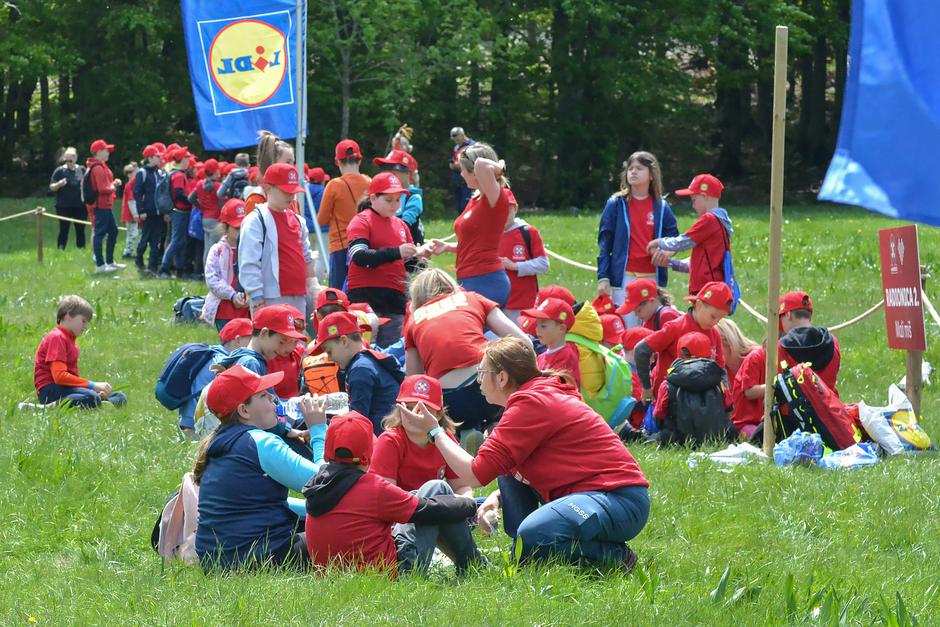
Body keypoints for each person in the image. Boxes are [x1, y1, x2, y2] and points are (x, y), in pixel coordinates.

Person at [400, 337, 650, 568]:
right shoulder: (535, 396)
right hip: (599, 497)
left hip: (618, 501)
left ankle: (616, 557)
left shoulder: (531, 403)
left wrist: (435, 431)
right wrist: (496, 499)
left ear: (502, 378)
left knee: (533, 536)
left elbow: (475, 475)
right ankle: (524, 552)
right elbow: (502, 467)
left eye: (481, 373)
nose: (478, 381)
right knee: (505, 469)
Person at [303, 411, 480, 576]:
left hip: (334, 579)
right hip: (393, 576)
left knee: (420, 498)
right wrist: (470, 505)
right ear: (368, 455)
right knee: (437, 489)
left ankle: (473, 565)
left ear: (326, 454)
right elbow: (426, 509)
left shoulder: (316, 485)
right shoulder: (371, 488)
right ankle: (475, 565)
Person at [193, 365, 328, 571]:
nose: (273, 398)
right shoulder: (261, 442)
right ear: (244, 410)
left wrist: (310, 510)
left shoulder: (220, 442)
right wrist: (318, 430)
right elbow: (326, 484)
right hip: (259, 557)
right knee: (343, 530)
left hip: (217, 561)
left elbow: (265, 504)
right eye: (264, 395)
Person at [404, 268, 531, 448]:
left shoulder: (414, 320)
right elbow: (524, 342)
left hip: (451, 401)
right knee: (500, 398)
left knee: (453, 417)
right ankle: (496, 427)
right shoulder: (472, 298)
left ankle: (465, 436)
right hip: (490, 384)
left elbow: (415, 380)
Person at [597, 151, 678, 326]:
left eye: (639, 168)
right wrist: (603, 277)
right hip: (624, 277)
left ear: (651, 174)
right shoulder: (616, 203)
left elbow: (674, 237)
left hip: (652, 277)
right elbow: (604, 244)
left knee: (650, 327)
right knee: (625, 326)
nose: (633, 172)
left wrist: (667, 252)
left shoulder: (661, 206)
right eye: (630, 168)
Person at [427, 143, 514, 307]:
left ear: (475, 173)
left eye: (463, 169)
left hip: (486, 279)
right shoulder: (476, 199)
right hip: (470, 278)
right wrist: (447, 247)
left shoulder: (495, 197)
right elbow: (475, 243)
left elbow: (481, 163)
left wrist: (499, 168)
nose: (461, 174)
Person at [346, 172, 420, 346]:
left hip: (395, 300)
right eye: (389, 200)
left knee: (392, 351)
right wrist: (397, 252)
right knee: (363, 349)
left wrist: (420, 256)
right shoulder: (362, 220)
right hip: (366, 296)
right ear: (373, 198)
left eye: (398, 200)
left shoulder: (401, 225)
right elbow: (359, 256)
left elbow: (407, 264)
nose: (395, 205)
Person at [238, 163, 320, 317]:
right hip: (270, 297)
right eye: (285, 191)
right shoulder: (255, 220)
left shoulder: (298, 220)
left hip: (298, 295)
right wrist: (256, 297)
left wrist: (314, 287)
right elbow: (249, 262)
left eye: (293, 192)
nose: (291, 196)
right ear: (268, 188)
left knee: (297, 333)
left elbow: (306, 257)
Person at [634, 281, 732, 404]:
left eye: (720, 319)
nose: (715, 322)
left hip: (699, 404)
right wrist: (646, 387)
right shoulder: (675, 328)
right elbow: (641, 350)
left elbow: (720, 370)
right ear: (698, 304)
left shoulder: (714, 333)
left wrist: (725, 400)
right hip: (668, 402)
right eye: (713, 316)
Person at [311, 311, 404, 435]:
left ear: (344, 341)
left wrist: (320, 429)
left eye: (329, 351)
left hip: (383, 438)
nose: (329, 358)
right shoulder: (365, 362)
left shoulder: (360, 370)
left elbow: (355, 422)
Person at [33, 295, 127, 409]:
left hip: (66, 388)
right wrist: (92, 385)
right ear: (68, 316)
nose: (85, 326)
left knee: (120, 396)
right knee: (91, 396)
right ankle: (46, 407)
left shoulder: (70, 340)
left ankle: (99, 404)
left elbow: (71, 379)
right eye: (83, 321)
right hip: (51, 390)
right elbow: (59, 376)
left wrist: (89, 389)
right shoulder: (57, 337)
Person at [647, 174, 733, 295]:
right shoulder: (720, 222)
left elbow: (684, 241)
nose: (692, 206)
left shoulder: (709, 219)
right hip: (712, 288)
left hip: (707, 290)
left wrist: (659, 242)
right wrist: (671, 263)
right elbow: (698, 263)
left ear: (704, 196)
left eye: (693, 200)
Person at [652, 332, 734, 445]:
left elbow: (659, 417)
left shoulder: (668, 383)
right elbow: (729, 410)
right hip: (715, 439)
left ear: (681, 356)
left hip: (678, 441)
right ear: (709, 356)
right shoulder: (718, 382)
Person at [178, 318, 253, 437]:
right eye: (251, 338)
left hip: (188, 421)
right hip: (199, 426)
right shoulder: (223, 363)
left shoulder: (212, 355)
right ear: (238, 340)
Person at [318, 139, 371, 289]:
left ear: (338, 162)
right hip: (365, 246)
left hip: (340, 247)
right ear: (359, 160)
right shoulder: (370, 182)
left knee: (337, 295)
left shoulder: (334, 185)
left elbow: (321, 220)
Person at [201, 198, 250, 331]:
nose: (241, 232)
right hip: (224, 308)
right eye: (236, 228)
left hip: (247, 308)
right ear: (225, 228)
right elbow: (212, 279)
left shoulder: (251, 249)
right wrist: (231, 295)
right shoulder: (217, 250)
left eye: (243, 227)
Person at [374, 150, 426, 272]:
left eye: (392, 170)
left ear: (407, 173)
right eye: (385, 169)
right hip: (391, 256)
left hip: (410, 261)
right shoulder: (382, 196)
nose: (387, 174)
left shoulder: (413, 197)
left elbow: (405, 224)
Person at [499, 197, 549, 323]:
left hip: (523, 304)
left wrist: (516, 266)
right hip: (497, 303)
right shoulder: (490, 233)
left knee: (522, 335)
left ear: (515, 209)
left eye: (507, 209)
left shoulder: (527, 232)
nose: (503, 213)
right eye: (499, 209)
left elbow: (544, 264)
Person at [520, 297, 581, 388]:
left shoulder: (566, 356)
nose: (537, 329)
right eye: (537, 325)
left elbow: (556, 388)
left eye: (543, 326)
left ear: (561, 329)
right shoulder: (541, 357)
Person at [86, 139, 124, 273]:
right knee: (99, 233)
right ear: (98, 152)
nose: (108, 152)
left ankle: (109, 262)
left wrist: (112, 184)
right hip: (100, 206)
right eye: (106, 150)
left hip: (105, 205)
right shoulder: (97, 168)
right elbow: (102, 189)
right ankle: (100, 265)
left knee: (113, 231)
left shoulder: (100, 165)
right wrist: (113, 186)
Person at [158, 147, 193, 279]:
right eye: (187, 158)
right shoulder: (178, 175)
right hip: (180, 211)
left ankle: (180, 269)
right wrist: (191, 201)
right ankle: (164, 268)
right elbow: (178, 194)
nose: (189, 161)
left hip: (178, 211)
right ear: (182, 160)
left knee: (180, 241)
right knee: (177, 240)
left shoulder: (176, 173)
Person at [243, 132, 297, 214]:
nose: (292, 167)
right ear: (272, 163)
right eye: (288, 162)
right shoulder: (256, 200)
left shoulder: (292, 197)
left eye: (293, 162)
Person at [134, 144, 167, 275]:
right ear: (150, 158)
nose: (160, 159)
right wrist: (141, 210)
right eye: (157, 156)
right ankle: (139, 259)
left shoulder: (159, 173)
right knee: (145, 238)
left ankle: (152, 265)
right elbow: (137, 193)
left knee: (156, 239)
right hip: (147, 212)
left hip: (159, 212)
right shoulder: (142, 173)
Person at [49, 147, 86, 250]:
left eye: (72, 158)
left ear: (76, 157)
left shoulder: (81, 169)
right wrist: (59, 184)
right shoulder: (60, 171)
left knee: (80, 229)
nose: (70, 161)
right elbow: (52, 187)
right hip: (63, 206)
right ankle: (61, 248)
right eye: (67, 159)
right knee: (64, 229)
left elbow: (87, 184)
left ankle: (81, 248)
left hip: (80, 205)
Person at [615, 277, 681, 331]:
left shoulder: (667, 315)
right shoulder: (648, 319)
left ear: (652, 301)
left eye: (638, 311)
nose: (636, 315)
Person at [194, 158, 222, 262]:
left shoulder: (200, 184)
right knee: (213, 249)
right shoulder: (218, 186)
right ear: (216, 171)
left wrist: (201, 207)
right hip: (215, 218)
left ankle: (206, 270)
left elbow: (191, 198)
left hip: (205, 217)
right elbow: (222, 203)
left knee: (207, 248)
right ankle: (210, 271)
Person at [448, 127, 475, 214]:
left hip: (468, 180)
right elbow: (455, 159)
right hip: (457, 179)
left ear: (462, 135)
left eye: (457, 138)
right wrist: (452, 164)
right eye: (454, 139)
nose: (456, 141)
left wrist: (460, 166)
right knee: (459, 207)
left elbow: (474, 163)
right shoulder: (456, 147)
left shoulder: (473, 146)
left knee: (466, 206)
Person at [119, 162, 140, 259]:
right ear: (128, 174)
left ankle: (129, 252)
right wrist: (135, 214)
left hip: (131, 213)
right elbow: (131, 200)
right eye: (132, 172)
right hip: (130, 213)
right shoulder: (130, 185)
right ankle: (127, 253)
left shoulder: (133, 184)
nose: (135, 173)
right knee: (133, 234)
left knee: (132, 233)